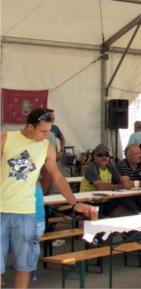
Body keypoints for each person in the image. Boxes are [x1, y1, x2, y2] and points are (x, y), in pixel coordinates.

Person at [1, 108, 93, 289]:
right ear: (30, 126)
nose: (46, 136)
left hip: (26, 212)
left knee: (24, 264)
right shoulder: (6, 139)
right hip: (1, 208)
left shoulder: (46, 148)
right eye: (43, 131)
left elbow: (58, 177)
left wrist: (74, 203)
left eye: (48, 131)